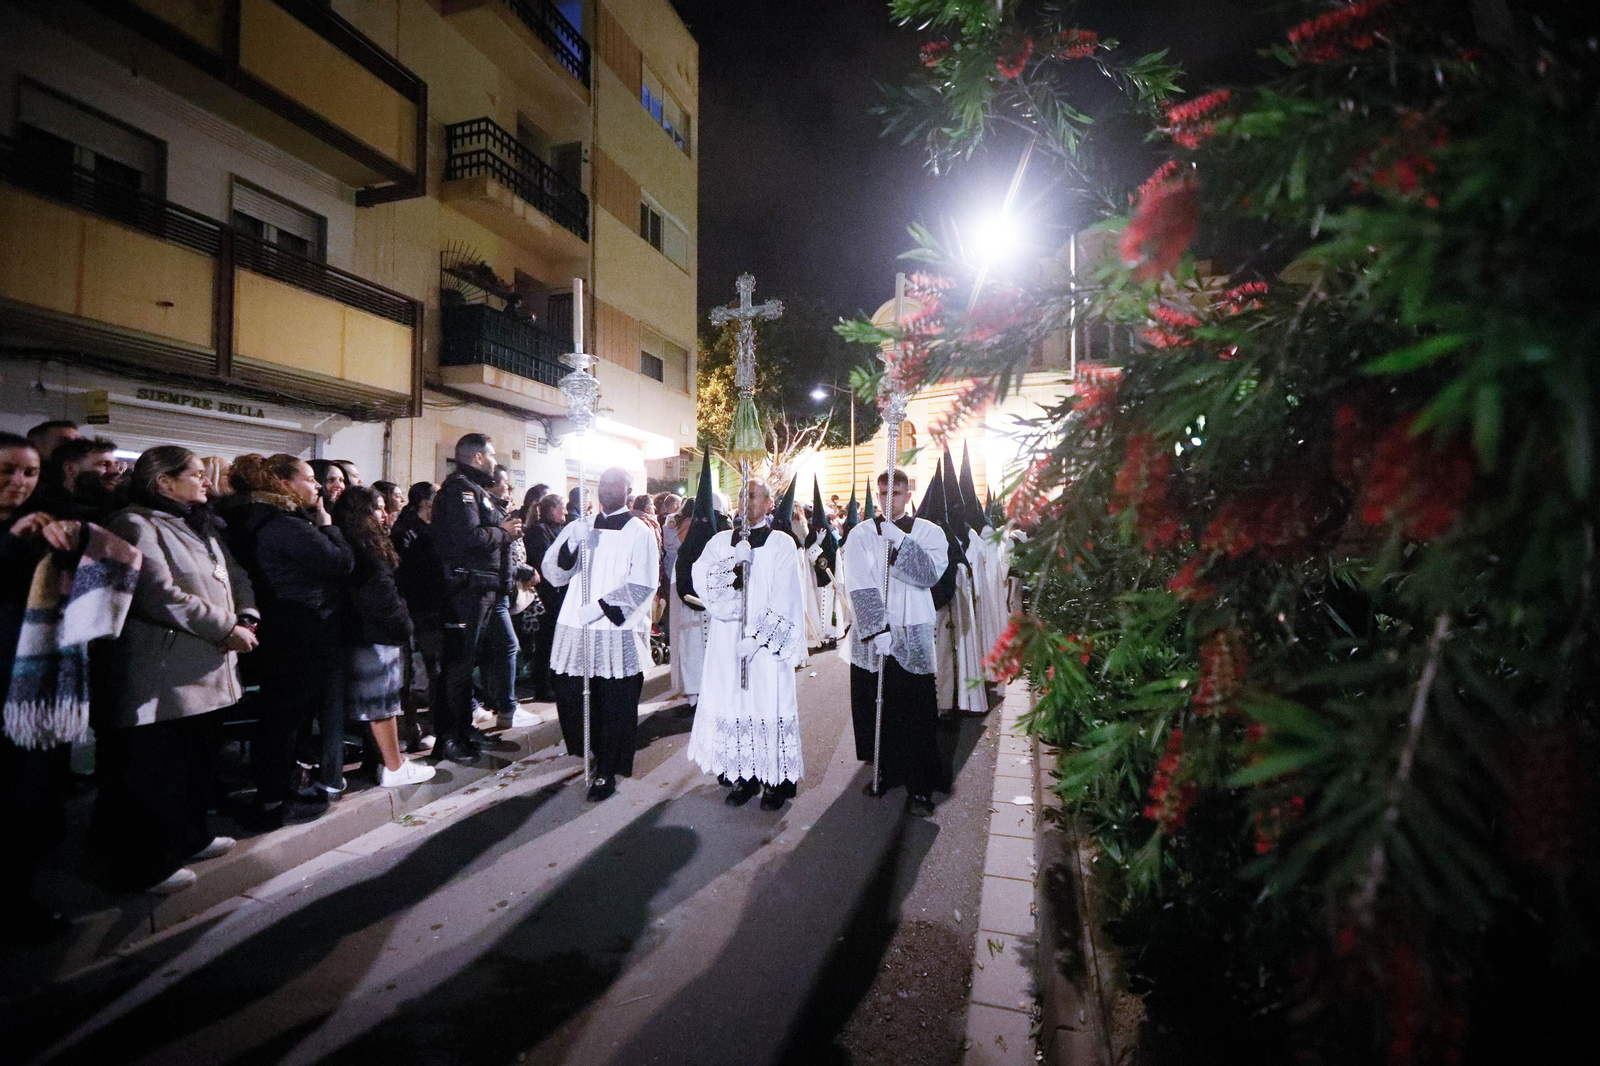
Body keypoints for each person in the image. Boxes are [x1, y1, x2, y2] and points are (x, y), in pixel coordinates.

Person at [94, 447, 258, 895]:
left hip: (208, 666)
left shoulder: (197, 523)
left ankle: (190, 836)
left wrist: (246, 615)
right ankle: (145, 864)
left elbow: (234, 574)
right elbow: (159, 594)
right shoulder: (134, 524)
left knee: (195, 766)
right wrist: (226, 626)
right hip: (164, 671)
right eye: (197, 474)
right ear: (164, 482)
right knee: (155, 774)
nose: (207, 482)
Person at [224, 454, 353, 828]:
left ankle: (278, 793)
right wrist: (328, 524)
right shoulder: (283, 524)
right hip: (296, 627)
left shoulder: (254, 518)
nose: (316, 487)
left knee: (282, 718)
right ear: (283, 483)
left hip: (280, 626)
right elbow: (340, 563)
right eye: (310, 479)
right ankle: (273, 802)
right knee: (283, 719)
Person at [0, 432, 84, 943]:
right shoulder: (19, 533)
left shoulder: (42, 526)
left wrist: (76, 541)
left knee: (27, 805)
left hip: (34, 688)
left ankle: (17, 904)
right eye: (7, 471)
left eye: (29, 473)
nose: (19, 483)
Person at [541, 466, 659, 801]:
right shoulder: (580, 526)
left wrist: (600, 608)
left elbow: (644, 582)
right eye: (602, 484)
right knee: (573, 693)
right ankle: (588, 752)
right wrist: (571, 546)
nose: (607, 489)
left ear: (628, 489)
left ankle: (608, 768)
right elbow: (555, 573)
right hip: (575, 626)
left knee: (614, 701)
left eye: (615, 484)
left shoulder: (640, 530)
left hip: (614, 625)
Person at [687, 478, 806, 809]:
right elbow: (704, 584)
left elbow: (786, 597)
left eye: (752, 495)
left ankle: (776, 782)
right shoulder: (719, 542)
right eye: (741, 494)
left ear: (768, 504)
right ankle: (745, 776)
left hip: (765, 646)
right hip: (727, 641)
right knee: (735, 705)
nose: (745, 500)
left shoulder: (781, 543)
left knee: (768, 703)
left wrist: (756, 639)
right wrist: (731, 565)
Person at [839, 468, 949, 816]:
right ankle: (885, 770)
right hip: (874, 636)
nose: (890, 501)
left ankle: (920, 785)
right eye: (883, 493)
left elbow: (929, 575)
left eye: (897, 494)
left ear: (908, 494)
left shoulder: (930, 532)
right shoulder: (859, 534)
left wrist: (901, 542)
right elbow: (857, 581)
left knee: (916, 712)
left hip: (913, 631)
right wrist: (876, 628)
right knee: (877, 707)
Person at [333, 486, 436, 788]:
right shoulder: (364, 548)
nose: (383, 513)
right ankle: (394, 766)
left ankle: (381, 762)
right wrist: (402, 623)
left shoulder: (357, 543)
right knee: (381, 704)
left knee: (379, 703)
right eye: (377, 508)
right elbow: (379, 595)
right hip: (376, 635)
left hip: (371, 633)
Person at [432, 435, 522, 766]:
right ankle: (449, 738)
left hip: (481, 590)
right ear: (479, 458)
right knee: (457, 666)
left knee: (467, 665)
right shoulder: (460, 491)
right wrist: (503, 531)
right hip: (465, 592)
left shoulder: (475, 491)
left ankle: (464, 729)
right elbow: (468, 538)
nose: (497, 462)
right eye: (493, 455)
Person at [392, 481, 443, 751]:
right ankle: (409, 728)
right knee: (407, 672)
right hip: (413, 607)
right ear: (425, 501)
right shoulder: (406, 530)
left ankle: (433, 726)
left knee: (435, 668)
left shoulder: (436, 526)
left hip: (434, 608)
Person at [522, 492, 567, 703]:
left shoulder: (557, 529)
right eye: (562, 507)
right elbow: (546, 561)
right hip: (547, 595)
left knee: (555, 640)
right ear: (552, 510)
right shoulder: (538, 531)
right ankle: (543, 684)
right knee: (546, 642)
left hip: (559, 593)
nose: (566, 512)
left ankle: (554, 681)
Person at [39, 436, 122, 522]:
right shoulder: (45, 517)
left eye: (116, 465)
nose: (116, 471)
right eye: (104, 464)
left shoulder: (115, 510)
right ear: (70, 469)